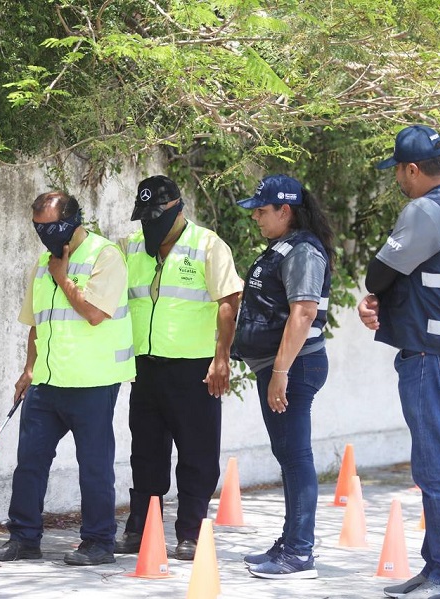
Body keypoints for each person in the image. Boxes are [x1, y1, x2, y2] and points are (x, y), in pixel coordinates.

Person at [358, 125, 440, 599]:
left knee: (434, 467)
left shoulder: (425, 209)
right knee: (436, 463)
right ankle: (437, 569)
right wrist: (383, 303)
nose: (396, 179)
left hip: (434, 353)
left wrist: (374, 295)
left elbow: (382, 270)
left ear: (412, 169)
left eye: (397, 170)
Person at [0, 190, 135, 566]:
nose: (45, 234)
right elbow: (37, 324)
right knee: (30, 463)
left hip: (92, 383)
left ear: (72, 221)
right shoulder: (42, 264)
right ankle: (23, 539)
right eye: (38, 228)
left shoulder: (105, 255)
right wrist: (28, 368)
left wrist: (63, 278)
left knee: (94, 465)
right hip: (47, 382)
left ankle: (99, 542)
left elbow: (95, 313)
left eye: (51, 227)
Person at [114, 175, 242, 561]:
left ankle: (190, 533)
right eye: (144, 217)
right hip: (147, 368)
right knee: (146, 454)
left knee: (197, 455)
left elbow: (228, 301)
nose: (148, 225)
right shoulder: (131, 247)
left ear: (176, 209)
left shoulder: (207, 245)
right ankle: (140, 529)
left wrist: (221, 359)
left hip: (194, 370)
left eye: (155, 216)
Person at [232, 174, 335, 579]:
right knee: (289, 457)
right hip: (283, 367)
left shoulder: (304, 251)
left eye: (262, 210)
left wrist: (280, 372)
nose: (256, 217)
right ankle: (291, 542)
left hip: (296, 367)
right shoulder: (283, 248)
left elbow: (304, 312)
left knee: (296, 458)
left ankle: (299, 553)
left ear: (285, 210)